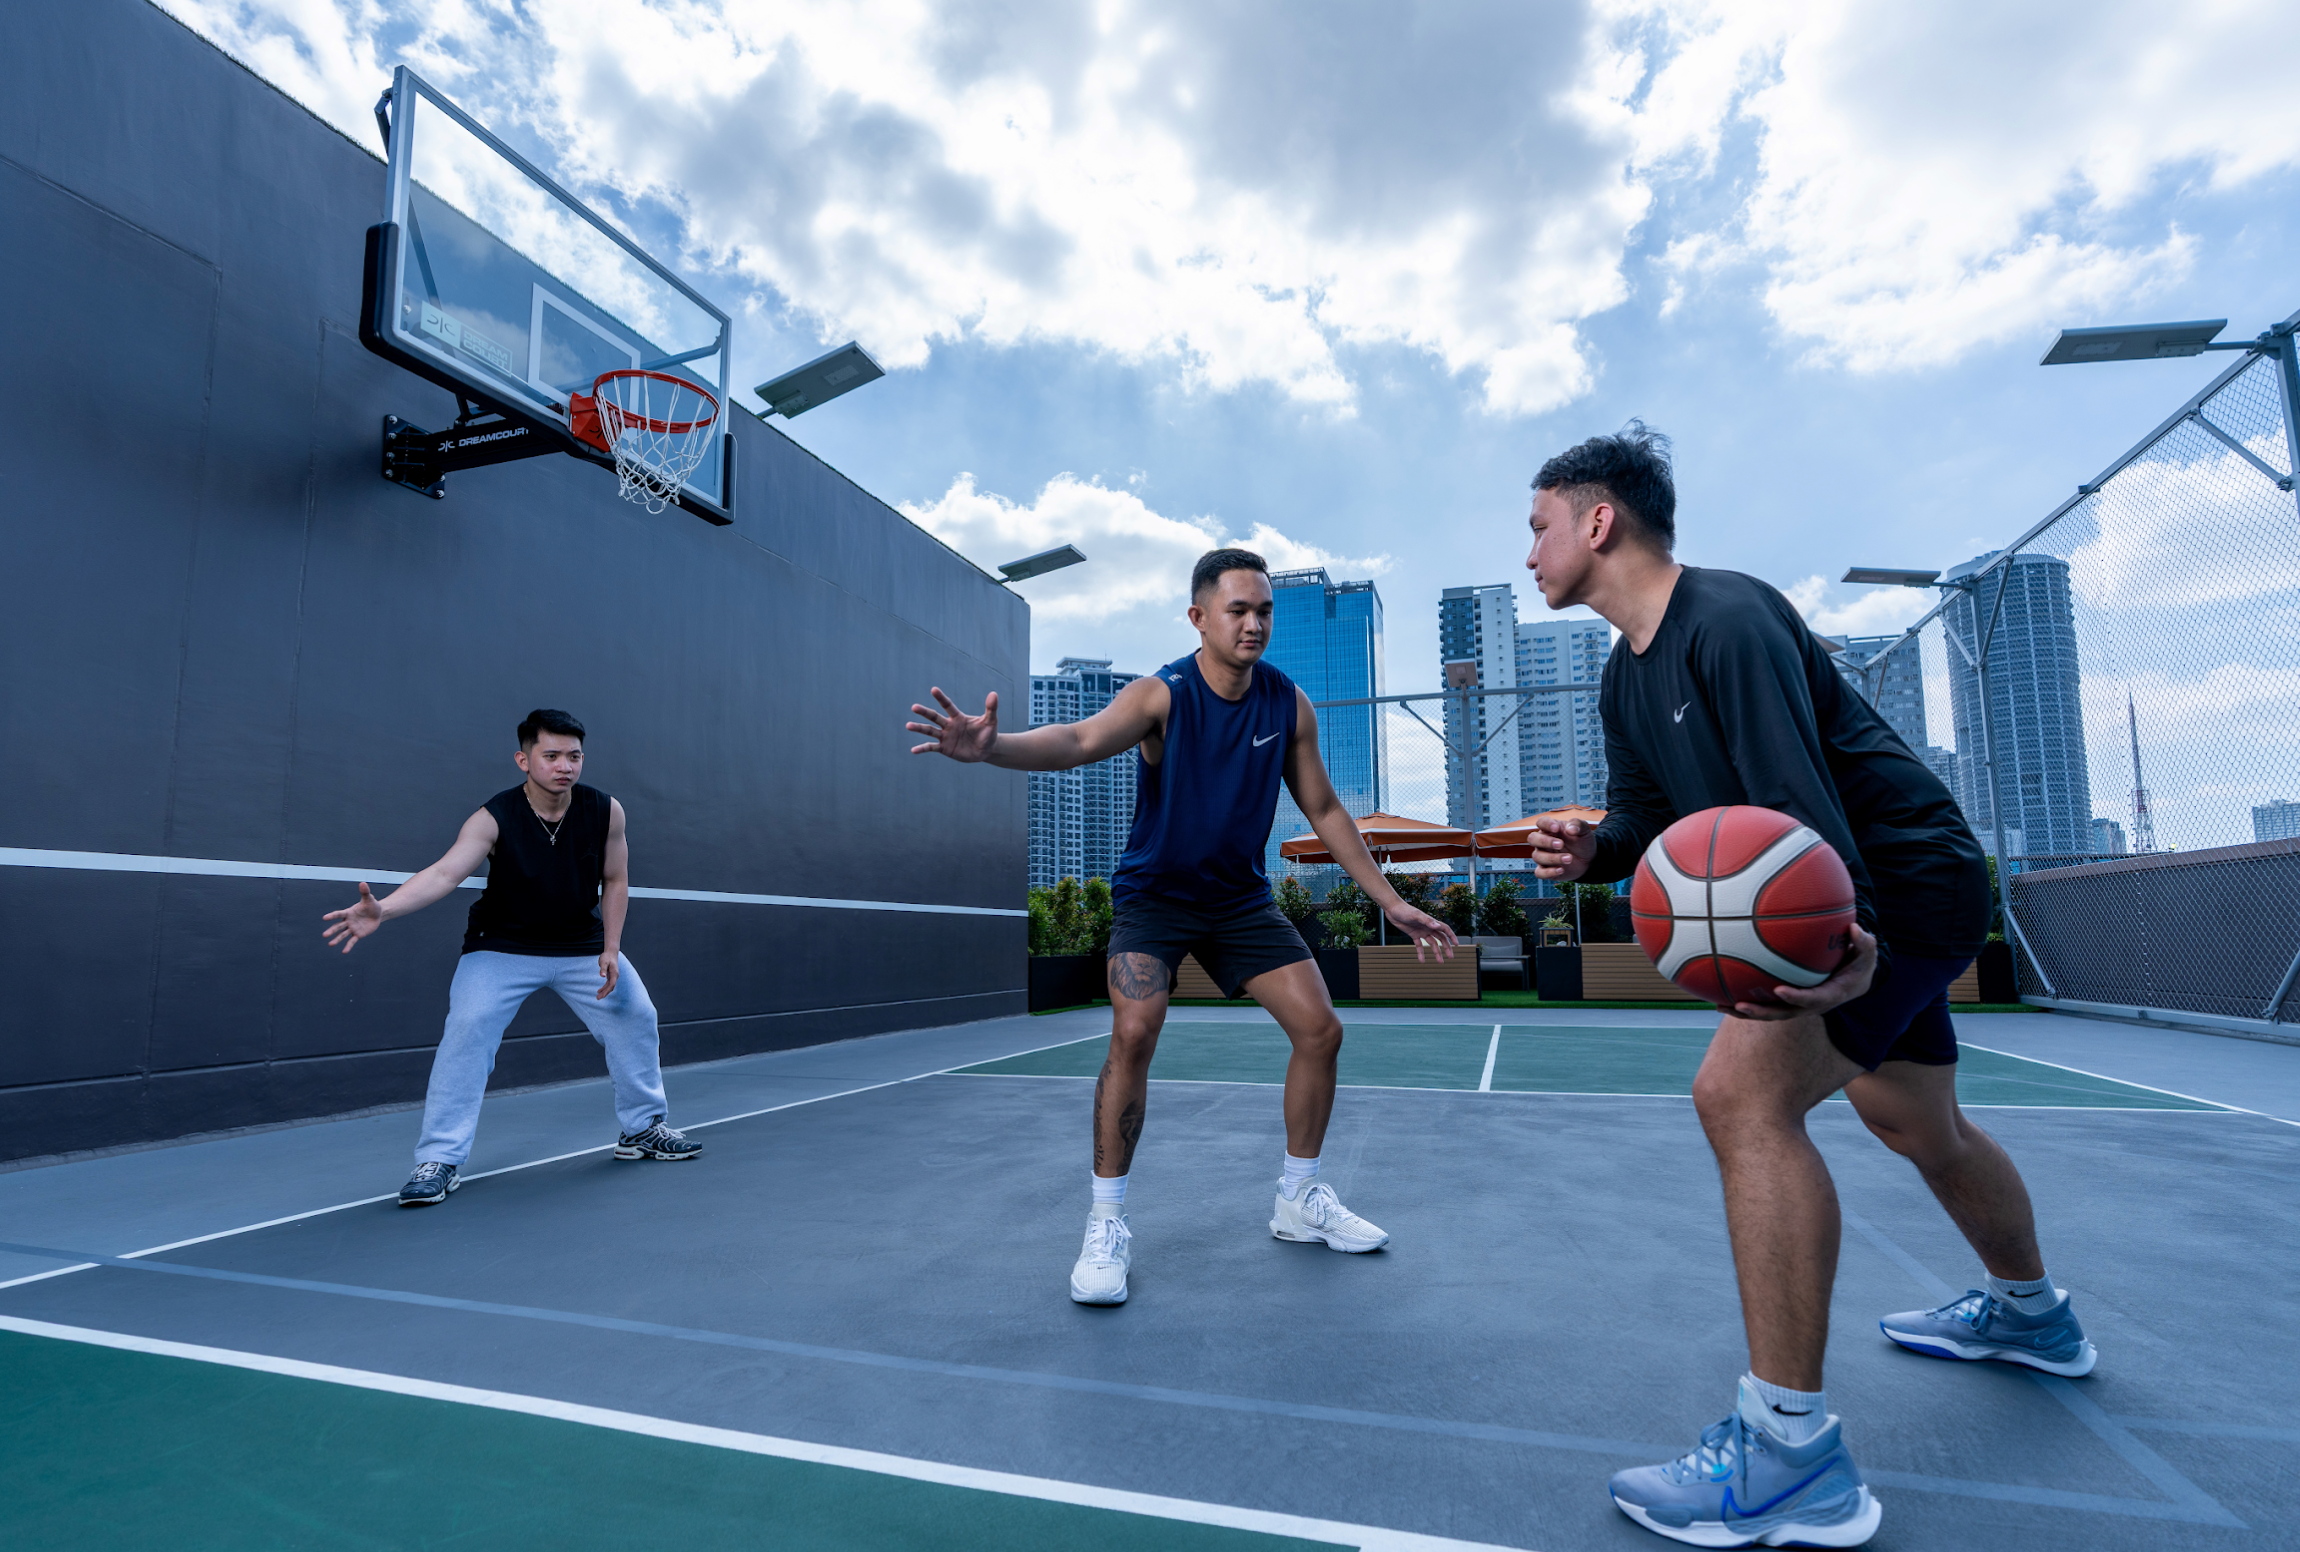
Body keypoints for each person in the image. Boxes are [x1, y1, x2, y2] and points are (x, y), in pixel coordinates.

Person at [1520, 426, 2092, 1548]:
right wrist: (1596, 848)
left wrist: (1847, 949)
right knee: (1915, 1119)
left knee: (1739, 1098)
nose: (1528, 552)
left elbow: (1791, 805)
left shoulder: (1724, 618)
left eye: (1537, 527)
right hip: (1866, 890)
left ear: (1597, 522)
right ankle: (2032, 1317)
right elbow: (1651, 819)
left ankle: (1789, 1455)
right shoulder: (1622, 674)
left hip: (1891, 887)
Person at [907, 548, 1458, 1305]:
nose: (1255, 623)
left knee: (1321, 1030)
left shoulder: (1287, 704)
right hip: (1156, 897)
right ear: (1199, 617)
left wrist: (1386, 898)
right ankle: (1105, 1223)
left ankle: (1298, 1201)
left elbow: (1325, 809)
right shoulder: (1161, 696)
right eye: (1238, 610)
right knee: (1136, 1029)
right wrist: (990, 747)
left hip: (1238, 901)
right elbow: (1076, 742)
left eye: (1264, 610)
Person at [322, 708, 700, 1206]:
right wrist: (384, 911)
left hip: (580, 947)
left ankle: (643, 1130)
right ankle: (439, 1160)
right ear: (524, 759)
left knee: (636, 1013)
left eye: (574, 756)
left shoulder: (606, 811)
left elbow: (616, 879)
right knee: (468, 1028)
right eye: (552, 756)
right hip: (500, 947)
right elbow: (444, 874)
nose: (565, 765)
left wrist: (611, 948)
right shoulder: (493, 816)